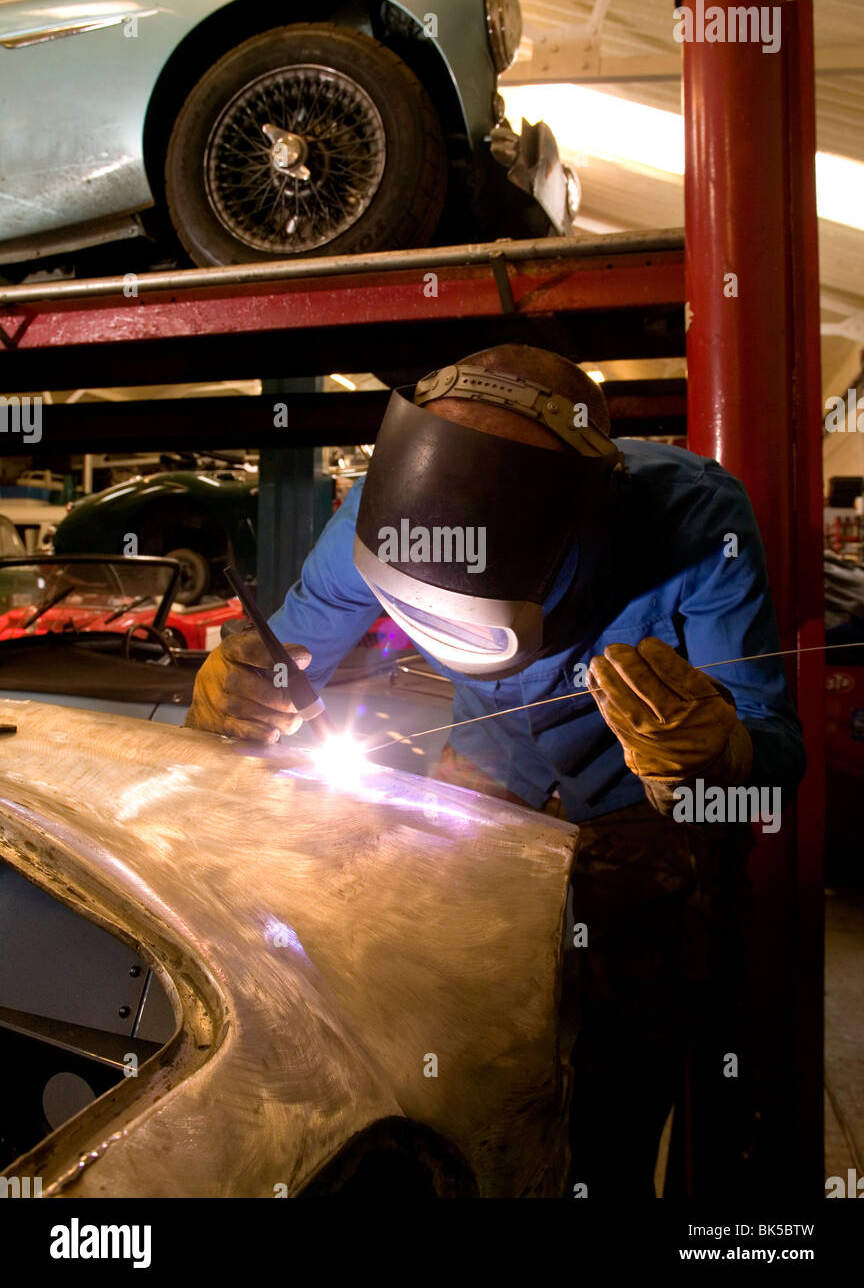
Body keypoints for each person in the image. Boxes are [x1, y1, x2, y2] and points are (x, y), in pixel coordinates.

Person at [187, 344, 805, 1195]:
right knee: (440, 1021)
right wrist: (236, 693)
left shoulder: (696, 524)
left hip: (647, 809)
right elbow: (282, 662)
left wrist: (717, 756)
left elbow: (776, 756)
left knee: (621, 1063)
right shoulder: (377, 521)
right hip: (489, 775)